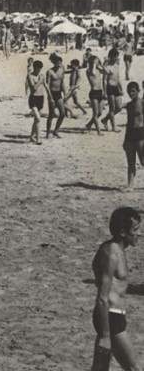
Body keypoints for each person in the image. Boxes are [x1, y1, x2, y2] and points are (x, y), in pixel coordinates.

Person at [91, 207, 141, 371]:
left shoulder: (117, 250)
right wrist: (106, 335)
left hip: (112, 316)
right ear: (122, 232)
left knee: (99, 368)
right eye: (135, 230)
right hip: (110, 318)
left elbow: (120, 286)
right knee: (134, 368)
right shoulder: (111, 254)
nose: (139, 234)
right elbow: (102, 297)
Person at [123, 82, 144, 189]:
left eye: (133, 91)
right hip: (130, 133)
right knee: (130, 161)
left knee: (143, 160)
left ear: (138, 91)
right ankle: (130, 185)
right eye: (129, 91)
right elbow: (128, 122)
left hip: (140, 133)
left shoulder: (142, 103)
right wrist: (125, 139)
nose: (131, 93)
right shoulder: (129, 105)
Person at [27, 60, 50, 145]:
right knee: (38, 118)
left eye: (40, 69)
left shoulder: (42, 75)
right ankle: (38, 139)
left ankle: (31, 136)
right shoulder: (30, 76)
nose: (39, 70)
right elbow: (33, 89)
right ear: (34, 68)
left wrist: (50, 97)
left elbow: (46, 86)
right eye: (37, 69)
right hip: (33, 98)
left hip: (41, 98)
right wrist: (40, 81)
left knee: (36, 120)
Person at [45, 54, 67, 138]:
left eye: (60, 63)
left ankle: (56, 130)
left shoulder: (61, 70)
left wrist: (65, 93)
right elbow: (48, 85)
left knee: (63, 113)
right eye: (57, 63)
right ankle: (48, 132)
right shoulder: (50, 71)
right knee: (51, 115)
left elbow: (62, 82)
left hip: (59, 93)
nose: (58, 64)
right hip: (52, 93)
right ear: (54, 63)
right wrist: (50, 97)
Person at [102, 49, 123, 132]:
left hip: (116, 87)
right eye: (114, 56)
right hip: (110, 88)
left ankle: (105, 119)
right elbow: (104, 80)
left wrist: (121, 88)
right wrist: (104, 92)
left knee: (119, 108)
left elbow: (118, 77)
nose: (116, 58)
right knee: (112, 108)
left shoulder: (117, 65)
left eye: (116, 56)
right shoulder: (107, 67)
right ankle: (114, 127)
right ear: (110, 57)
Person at [86, 55, 107, 136]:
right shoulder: (88, 70)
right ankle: (99, 131)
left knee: (100, 113)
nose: (97, 62)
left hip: (100, 92)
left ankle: (89, 124)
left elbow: (107, 72)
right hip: (93, 92)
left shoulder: (98, 69)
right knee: (95, 113)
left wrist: (101, 65)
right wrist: (94, 65)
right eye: (96, 61)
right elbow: (93, 73)